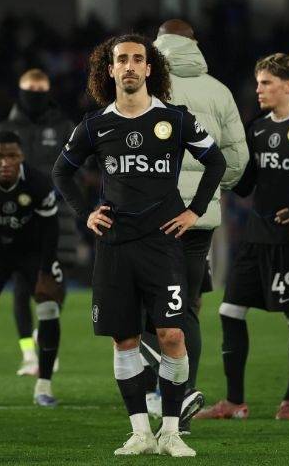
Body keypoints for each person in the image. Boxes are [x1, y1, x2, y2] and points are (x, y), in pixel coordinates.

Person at [52, 33, 226, 457]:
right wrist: (86, 213)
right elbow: (61, 172)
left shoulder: (175, 119)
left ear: (150, 68)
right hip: (115, 247)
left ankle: (171, 432)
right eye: (121, 60)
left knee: (171, 335)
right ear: (109, 69)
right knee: (125, 340)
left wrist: (194, 210)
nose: (129, 66)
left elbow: (216, 161)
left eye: (137, 59)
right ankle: (140, 433)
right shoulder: (95, 124)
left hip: (162, 244)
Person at [195, 52, 289, 421]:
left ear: (288, 86)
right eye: (258, 83)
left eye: (266, 83)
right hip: (254, 237)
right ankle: (234, 402)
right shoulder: (257, 128)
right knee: (230, 311)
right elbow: (246, 185)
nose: (259, 89)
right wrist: (219, 163)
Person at [136, 19, 249, 429]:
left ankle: (162, 391)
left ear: (157, 44)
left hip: (149, 215)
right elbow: (237, 159)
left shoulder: (146, 85)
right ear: (194, 44)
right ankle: (183, 397)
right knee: (184, 309)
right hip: (199, 219)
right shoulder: (219, 91)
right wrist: (212, 189)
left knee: (141, 306)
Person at [0, 69, 74, 376]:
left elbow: (79, 166)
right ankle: (28, 355)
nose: (35, 95)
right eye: (29, 89)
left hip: (57, 216)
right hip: (16, 218)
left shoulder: (64, 127)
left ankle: (41, 337)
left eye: (40, 89)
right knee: (21, 286)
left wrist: (66, 193)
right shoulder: (4, 129)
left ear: (49, 92)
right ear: (20, 92)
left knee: (57, 284)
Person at [0, 131, 62, 408]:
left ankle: (44, 388)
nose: (5, 162)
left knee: (49, 307)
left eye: (12, 156)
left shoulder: (38, 183)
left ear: (21, 158)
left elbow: (51, 230)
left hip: (33, 251)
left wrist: (46, 273)